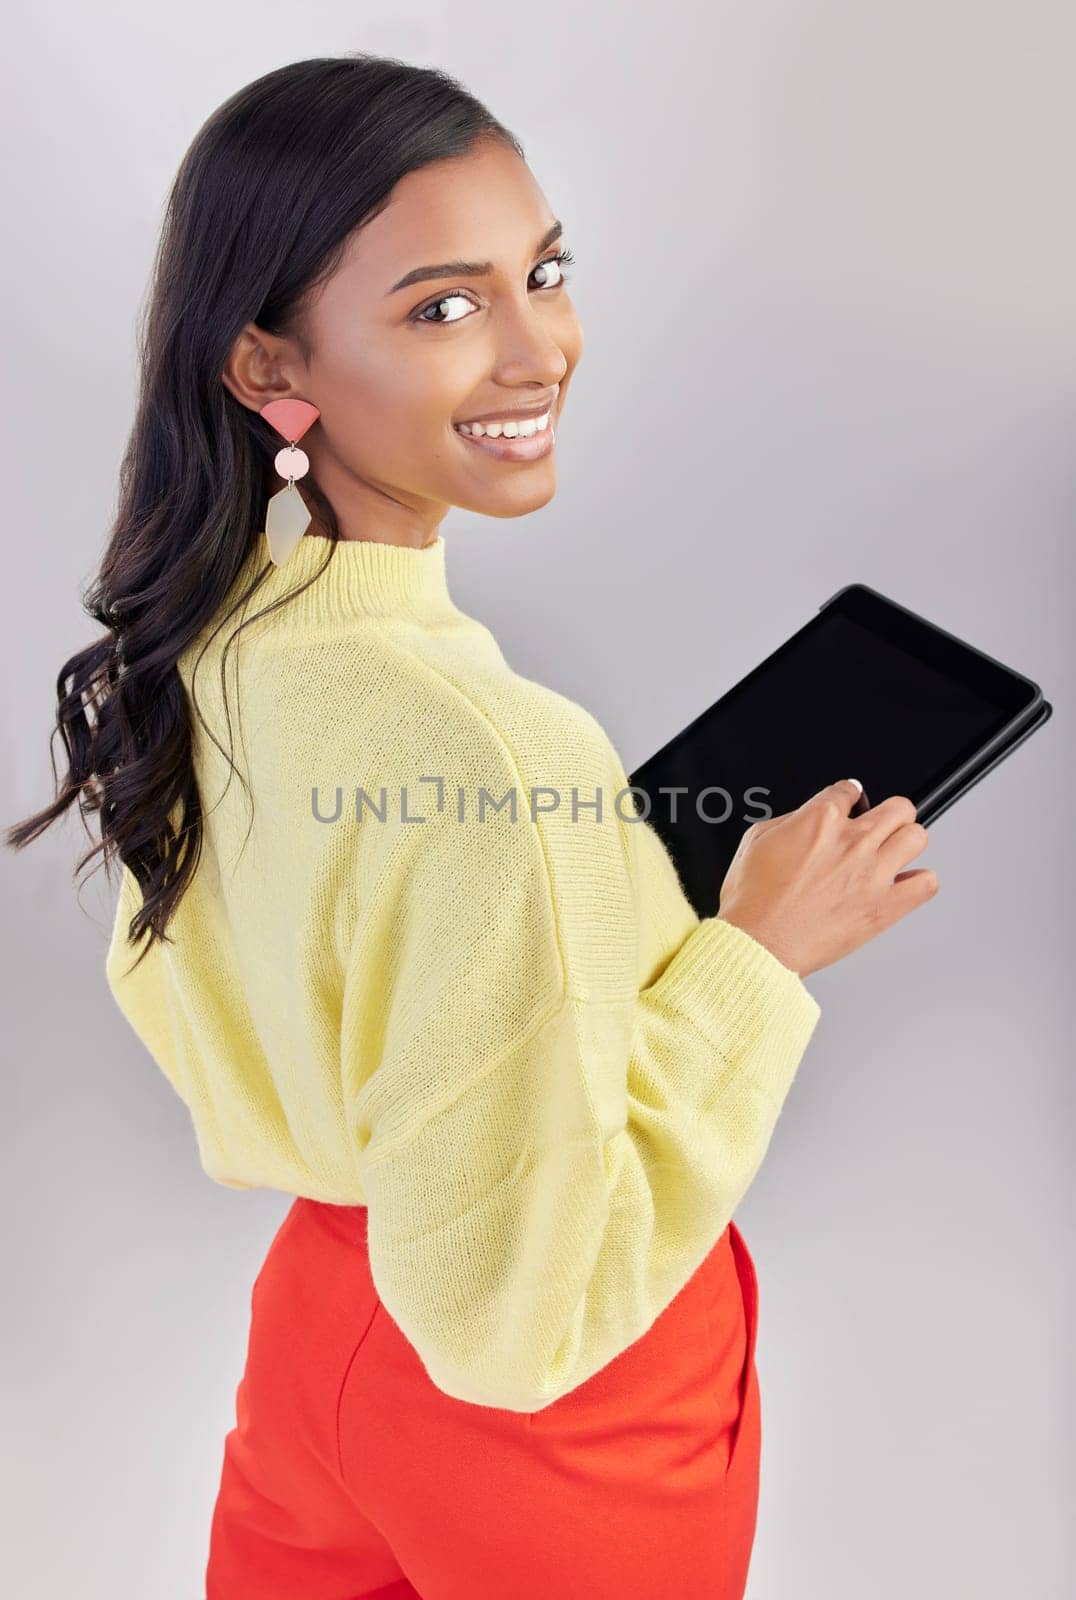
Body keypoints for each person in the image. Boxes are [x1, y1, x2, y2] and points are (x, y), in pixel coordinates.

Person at [6, 53, 938, 1600]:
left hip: (324, 1330)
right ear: (266, 367)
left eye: (544, 273)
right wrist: (758, 956)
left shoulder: (217, 648)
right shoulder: (497, 756)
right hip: (564, 1394)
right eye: (445, 307)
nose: (537, 349)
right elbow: (521, 1320)